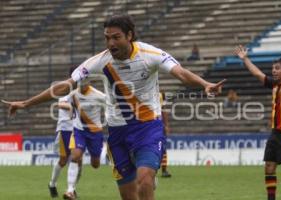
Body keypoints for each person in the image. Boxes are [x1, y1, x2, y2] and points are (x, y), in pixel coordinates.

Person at [2, 14, 225, 200]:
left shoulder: (151, 55)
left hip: (148, 126)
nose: (110, 43)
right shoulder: (100, 61)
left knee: (145, 178)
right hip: (117, 132)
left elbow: (182, 74)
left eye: (116, 37)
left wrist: (205, 84)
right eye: (107, 38)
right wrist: (26, 103)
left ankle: (147, 175)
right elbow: (66, 86)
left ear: (129, 36)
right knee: (129, 194)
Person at [235, 38, 281, 200]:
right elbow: (257, 73)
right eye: (273, 68)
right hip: (275, 133)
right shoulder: (273, 85)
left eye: (277, 69)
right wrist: (245, 59)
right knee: (269, 167)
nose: (274, 71)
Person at [63, 80, 106, 200]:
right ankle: (70, 190)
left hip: (95, 132)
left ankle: (73, 188)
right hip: (79, 130)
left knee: (95, 164)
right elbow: (69, 105)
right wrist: (71, 113)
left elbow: (111, 106)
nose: (81, 84)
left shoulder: (98, 95)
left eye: (84, 81)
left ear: (89, 82)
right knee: (75, 156)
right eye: (80, 82)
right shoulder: (73, 94)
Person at [48, 94, 76, 198]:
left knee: (75, 159)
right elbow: (60, 104)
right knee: (63, 160)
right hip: (65, 130)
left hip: (77, 130)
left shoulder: (83, 93)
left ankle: (71, 189)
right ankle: (52, 184)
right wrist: (71, 107)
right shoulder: (66, 93)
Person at [159, 92, 172, 178]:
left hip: (158, 125)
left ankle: (164, 170)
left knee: (163, 148)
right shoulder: (142, 91)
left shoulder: (161, 94)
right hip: (144, 125)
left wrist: (166, 125)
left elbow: (163, 110)